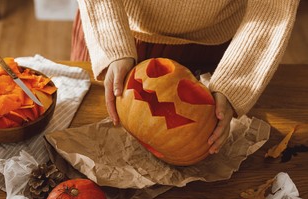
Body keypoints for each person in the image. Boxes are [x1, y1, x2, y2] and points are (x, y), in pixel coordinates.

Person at [71, 0, 300, 154]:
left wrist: (235, 83)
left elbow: (273, 9)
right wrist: (112, 46)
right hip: (110, 25)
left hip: (220, 48)